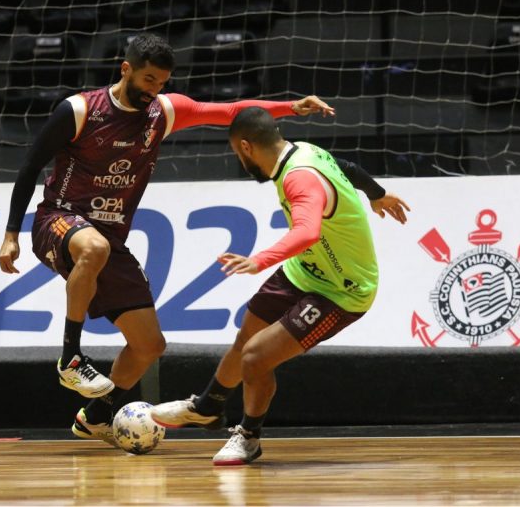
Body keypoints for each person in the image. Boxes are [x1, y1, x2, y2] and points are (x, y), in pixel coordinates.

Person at [0, 33, 336, 444]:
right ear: (126, 70)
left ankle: (95, 416)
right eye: (149, 80)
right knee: (95, 246)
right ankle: (71, 357)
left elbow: (229, 110)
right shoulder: (81, 109)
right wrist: (10, 234)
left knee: (149, 345)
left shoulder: (164, 112)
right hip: (59, 220)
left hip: (108, 239)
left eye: (162, 82)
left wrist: (290, 108)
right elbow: (31, 165)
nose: (155, 89)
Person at [150, 107, 410, 465]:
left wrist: (259, 260)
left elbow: (307, 231)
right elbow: (346, 168)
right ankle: (208, 406)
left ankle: (249, 438)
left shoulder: (297, 178)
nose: (240, 161)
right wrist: (376, 193)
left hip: (341, 291)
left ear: (245, 147)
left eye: (237, 154)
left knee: (256, 356)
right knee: (244, 341)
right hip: (304, 270)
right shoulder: (303, 150)